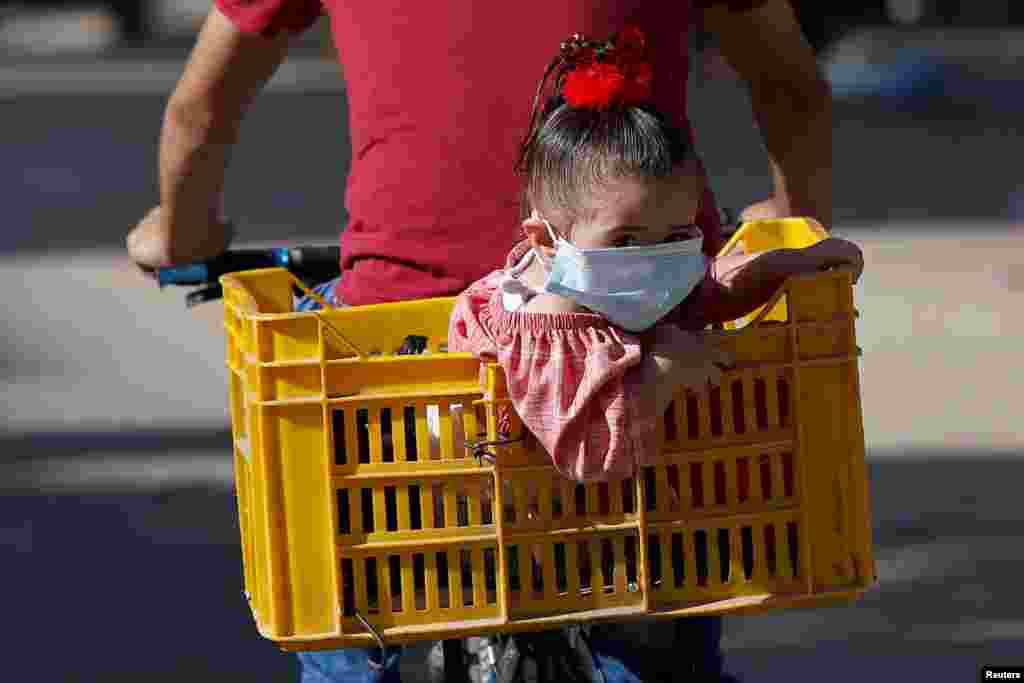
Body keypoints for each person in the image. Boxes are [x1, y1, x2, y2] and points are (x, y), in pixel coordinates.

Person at [126, 1, 834, 680]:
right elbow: (788, 85)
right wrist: (795, 215)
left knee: (346, 582)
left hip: (406, 312)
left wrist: (180, 233)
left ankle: (351, 662)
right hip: (644, 307)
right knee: (661, 583)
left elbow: (200, 108)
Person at [449, 26, 862, 485]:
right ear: (547, 243)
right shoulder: (548, 329)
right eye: (624, 241)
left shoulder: (614, 285)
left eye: (676, 236)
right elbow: (585, 456)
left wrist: (791, 264)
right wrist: (658, 375)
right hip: (558, 534)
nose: (653, 260)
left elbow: (707, 292)